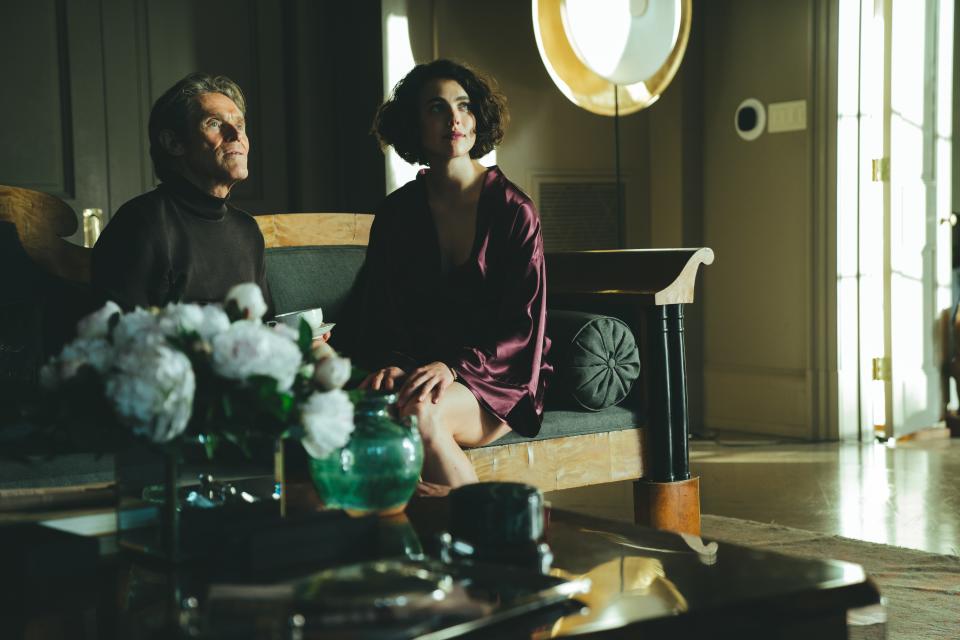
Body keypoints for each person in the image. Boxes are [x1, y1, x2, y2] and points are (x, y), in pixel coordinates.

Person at [336, 59, 551, 490]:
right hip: (423, 372)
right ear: (414, 124)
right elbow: (383, 310)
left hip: (498, 377)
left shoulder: (514, 211)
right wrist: (394, 364)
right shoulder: (396, 213)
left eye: (464, 106)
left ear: (477, 120)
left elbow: (523, 326)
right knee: (371, 410)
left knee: (419, 412)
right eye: (436, 108)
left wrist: (454, 366)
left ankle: (486, 546)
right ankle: (426, 537)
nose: (454, 118)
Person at [92, 72, 273, 314]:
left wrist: (306, 340)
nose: (236, 135)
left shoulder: (247, 230)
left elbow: (266, 327)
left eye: (239, 125)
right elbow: (123, 339)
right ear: (174, 143)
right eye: (215, 123)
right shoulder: (140, 223)